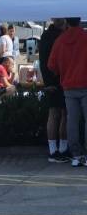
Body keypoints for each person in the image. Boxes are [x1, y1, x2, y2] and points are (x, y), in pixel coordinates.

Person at [48, 17, 87, 167]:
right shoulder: (85, 37)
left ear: (67, 21)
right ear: (79, 20)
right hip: (85, 84)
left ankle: (76, 155)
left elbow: (51, 65)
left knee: (72, 121)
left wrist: (63, 71)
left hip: (68, 86)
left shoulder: (60, 40)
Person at [39, 18, 69, 163]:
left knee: (62, 114)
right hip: (57, 81)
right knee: (57, 114)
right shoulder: (49, 36)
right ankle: (55, 150)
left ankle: (60, 149)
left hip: (63, 80)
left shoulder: (51, 35)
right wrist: (48, 83)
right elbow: (43, 61)